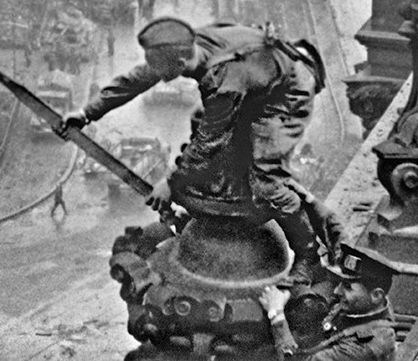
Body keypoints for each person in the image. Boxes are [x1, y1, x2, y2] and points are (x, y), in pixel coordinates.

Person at [57, 17, 334, 285]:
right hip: (258, 79)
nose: (160, 79)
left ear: (179, 63)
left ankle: (309, 257)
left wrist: (171, 182)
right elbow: (138, 79)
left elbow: (208, 144)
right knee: (201, 119)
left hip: (287, 92)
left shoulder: (223, 81)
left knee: (266, 179)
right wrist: (86, 113)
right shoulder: (188, 44)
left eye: (162, 72)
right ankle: (221, 182)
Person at [258, 244, 397, 360]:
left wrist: (276, 313)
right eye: (340, 283)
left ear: (376, 295)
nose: (337, 291)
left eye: (348, 287)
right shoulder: (371, 307)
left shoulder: (364, 347)